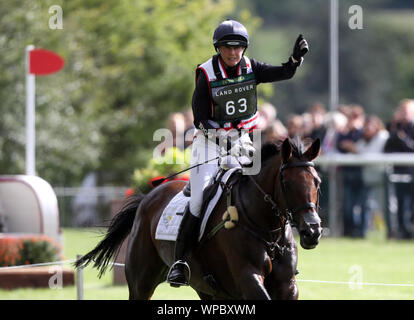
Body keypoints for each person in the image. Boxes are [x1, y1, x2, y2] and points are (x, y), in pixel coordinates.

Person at [167, 19, 309, 286]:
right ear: (218, 48)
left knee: (264, 188)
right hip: (209, 143)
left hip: (243, 141)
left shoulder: (250, 67)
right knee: (200, 198)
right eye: (227, 48)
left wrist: (294, 61)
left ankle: (280, 253)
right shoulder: (206, 73)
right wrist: (222, 138)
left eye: (238, 48)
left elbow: (283, 73)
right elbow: (200, 118)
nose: (233, 53)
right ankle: (180, 261)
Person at [384, 99, 414, 239]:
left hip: (411, 172)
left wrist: (402, 138)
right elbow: (387, 147)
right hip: (398, 172)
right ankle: (402, 231)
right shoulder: (396, 127)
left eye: (406, 111)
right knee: (400, 204)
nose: (403, 114)